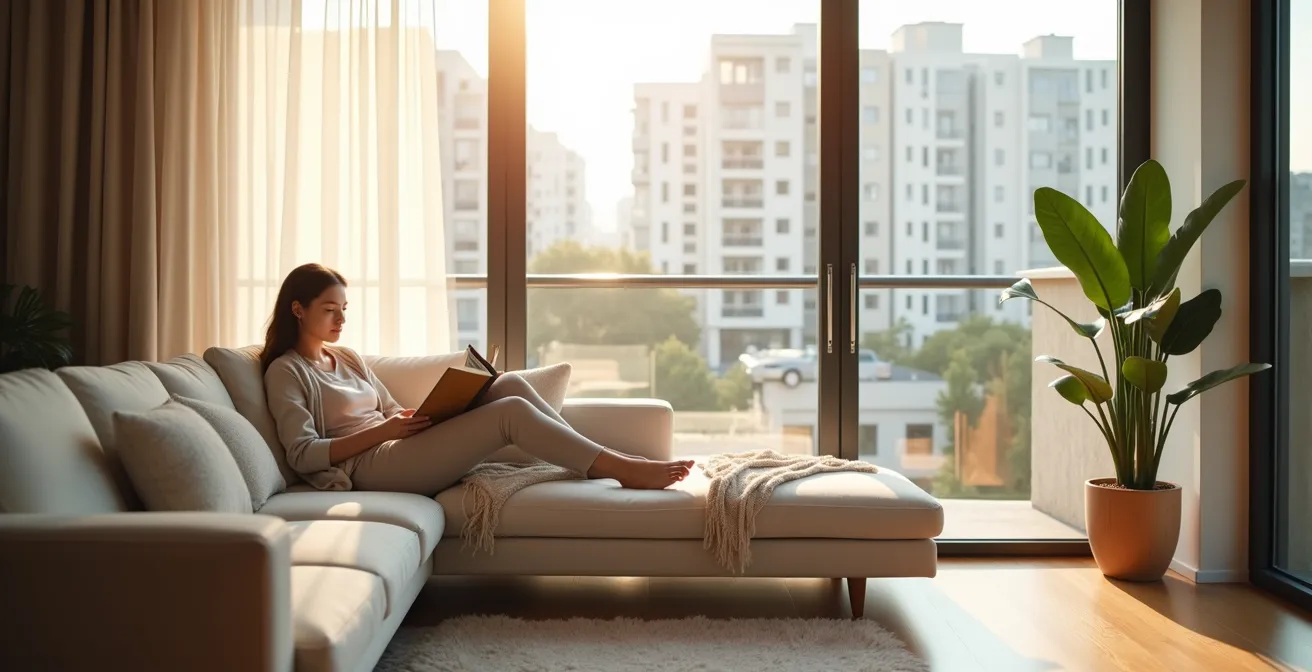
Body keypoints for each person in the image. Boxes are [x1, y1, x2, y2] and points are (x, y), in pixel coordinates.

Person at [260, 263, 693, 496]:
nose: (341, 319)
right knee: (510, 413)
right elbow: (303, 454)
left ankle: (595, 459)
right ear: (298, 309)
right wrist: (387, 431)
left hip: (398, 443)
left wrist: (418, 416)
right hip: (369, 466)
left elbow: (390, 408)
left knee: (503, 385)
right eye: (329, 309)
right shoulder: (286, 371)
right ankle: (622, 469)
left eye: (344, 309)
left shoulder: (348, 358)